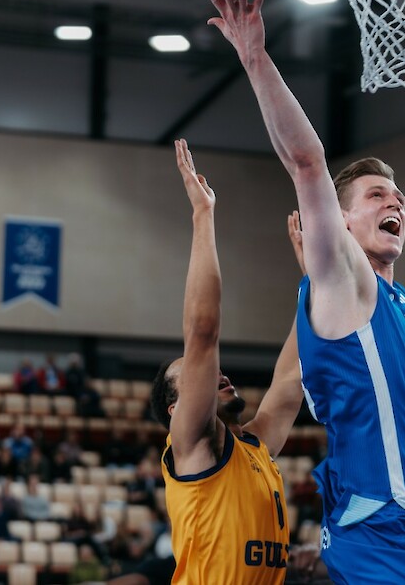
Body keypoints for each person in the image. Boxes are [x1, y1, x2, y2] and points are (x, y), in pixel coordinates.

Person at [202, 0, 405, 584]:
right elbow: (307, 163)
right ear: (340, 222)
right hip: (375, 536)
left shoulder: (402, 304)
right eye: (376, 195)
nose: (394, 203)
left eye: (399, 198)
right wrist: (256, 58)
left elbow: (333, 380)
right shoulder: (349, 280)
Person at [149, 141, 305, 584]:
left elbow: (293, 376)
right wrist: (203, 215)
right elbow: (203, 332)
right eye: (192, 375)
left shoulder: (254, 446)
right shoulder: (192, 444)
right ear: (176, 410)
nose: (214, 372)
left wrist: (313, 284)